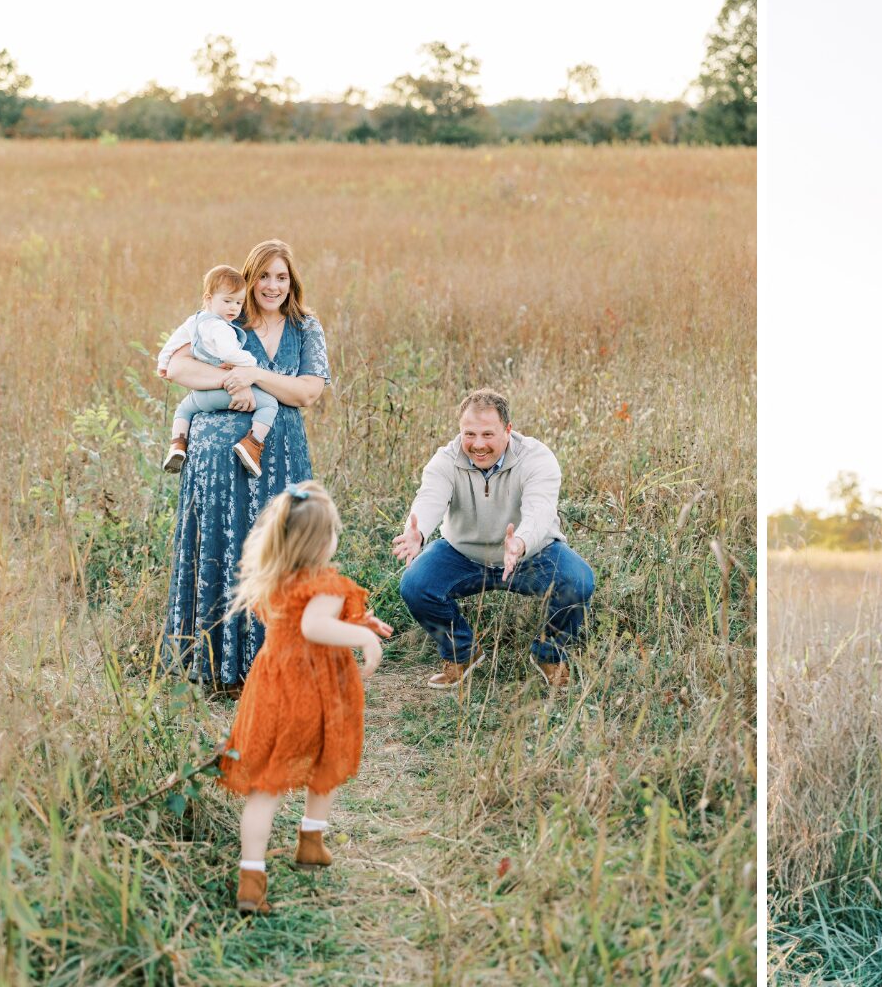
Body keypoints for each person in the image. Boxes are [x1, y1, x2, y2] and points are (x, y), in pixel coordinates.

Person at [216, 482, 393, 915]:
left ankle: (252, 876)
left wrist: (356, 619)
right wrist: (363, 639)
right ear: (322, 540)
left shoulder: (275, 578)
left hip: (272, 687)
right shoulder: (326, 583)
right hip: (314, 689)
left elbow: (304, 619)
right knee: (325, 760)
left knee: (265, 787)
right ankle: (311, 838)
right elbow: (314, 627)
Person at [162, 239, 331, 693]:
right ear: (248, 278)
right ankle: (219, 668)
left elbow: (308, 392)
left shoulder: (305, 327)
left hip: (282, 456)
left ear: (291, 280)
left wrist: (254, 377)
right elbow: (177, 368)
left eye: (281, 276)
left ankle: (280, 664)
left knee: (282, 551)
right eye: (263, 276)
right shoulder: (224, 318)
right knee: (224, 547)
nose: (272, 286)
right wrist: (228, 380)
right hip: (217, 460)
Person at [392, 388, 595, 690]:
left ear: (508, 430)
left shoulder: (536, 458)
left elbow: (540, 510)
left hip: (530, 554)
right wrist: (417, 531)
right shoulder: (446, 460)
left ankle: (550, 655)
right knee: (415, 584)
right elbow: (430, 498)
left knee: (579, 581)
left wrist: (521, 541)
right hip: (463, 555)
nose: (478, 444)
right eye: (469, 434)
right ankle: (462, 653)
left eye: (488, 434)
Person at [158, 264, 278, 477]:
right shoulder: (220, 327)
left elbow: (173, 343)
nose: (233, 308)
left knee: (184, 410)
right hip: (224, 391)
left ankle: (177, 444)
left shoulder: (194, 321)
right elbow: (229, 353)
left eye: (239, 303)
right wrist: (250, 362)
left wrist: (163, 363)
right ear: (208, 298)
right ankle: (252, 444)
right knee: (269, 404)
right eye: (227, 301)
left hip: (202, 392)